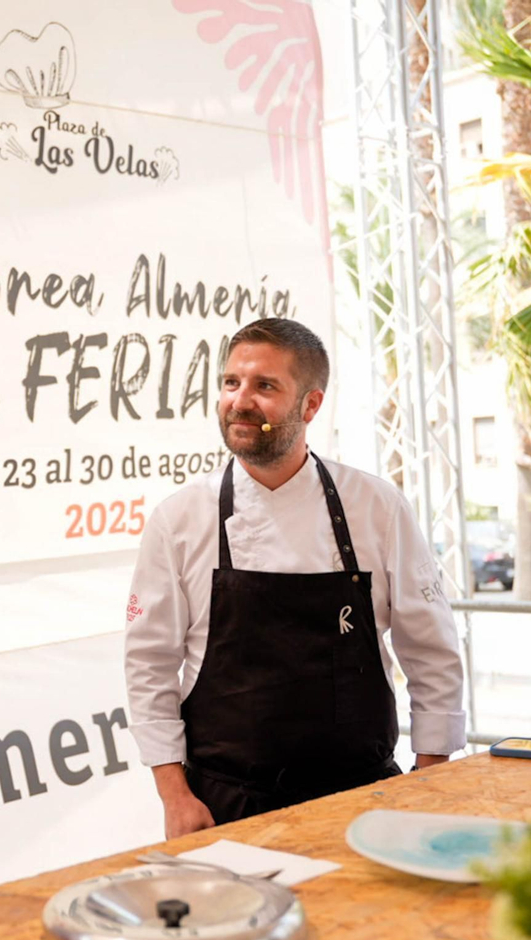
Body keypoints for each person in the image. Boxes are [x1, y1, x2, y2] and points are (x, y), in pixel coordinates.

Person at [124, 317, 466, 836]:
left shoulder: (376, 507)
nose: (240, 401)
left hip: (364, 799)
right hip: (225, 805)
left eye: (265, 386)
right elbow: (149, 665)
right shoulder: (180, 519)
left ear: (310, 405)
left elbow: (431, 649)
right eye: (231, 382)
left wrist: (430, 777)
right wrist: (175, 797)